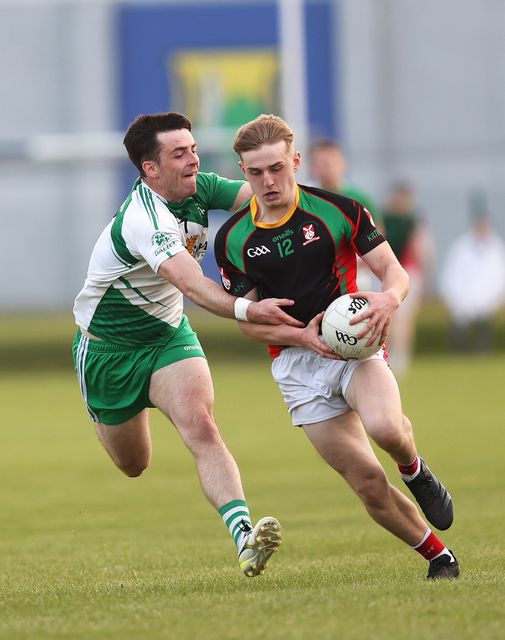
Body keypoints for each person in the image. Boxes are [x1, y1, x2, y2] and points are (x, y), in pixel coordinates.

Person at [215, 114, 459, 580]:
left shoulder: (339, 209)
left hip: (353, 345)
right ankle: (438, 557)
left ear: (296, 161)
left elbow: (395, 272)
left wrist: (389, 299)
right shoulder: (233, 239)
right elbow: (249, 324)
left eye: (277, 167)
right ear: (243, 172)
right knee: (367, 482)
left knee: (388, 428)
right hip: (295, 364)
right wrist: (301, 336)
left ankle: (414, 468)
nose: (268, 181)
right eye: (256, 172)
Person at [72, 112, 303, 577]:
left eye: (193, 149)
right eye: (180, 154)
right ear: (150, 169)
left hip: (167, 337)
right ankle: (108, 413)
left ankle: (244, 538)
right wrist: (248, 309)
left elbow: (270, 196)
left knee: (201, 426)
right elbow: (194, 286)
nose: (194, 159)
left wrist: (314, 204)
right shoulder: (143, 218)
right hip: (107, 354)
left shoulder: (200, 186)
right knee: (134, 464)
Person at [308, 138, 381, 291]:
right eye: (321, 163)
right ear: (312, 167)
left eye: (331, 162)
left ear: (343, 163)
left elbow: (378, 232)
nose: (327, 168)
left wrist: (363, 261)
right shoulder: (307, 199)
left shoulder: (357, 197)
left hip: (355, 270)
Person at [382, 182, 434, 374]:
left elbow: (421, 248)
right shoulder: (386, 218)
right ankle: (386, 353)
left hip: (408, 270)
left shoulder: (412, 220)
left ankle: (401, 355)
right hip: (390, 270)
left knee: (404, 317)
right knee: (390, 315)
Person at [439, 206, 505, 352]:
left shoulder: (497, 248)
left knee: (483, 333)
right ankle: (459, 354)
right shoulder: (461, 247)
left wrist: (491, 300)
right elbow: (451, 275)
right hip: (462, 300)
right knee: (459, 333)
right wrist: (456, 300)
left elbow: (499, 278)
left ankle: (482, 354)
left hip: (488, 301)